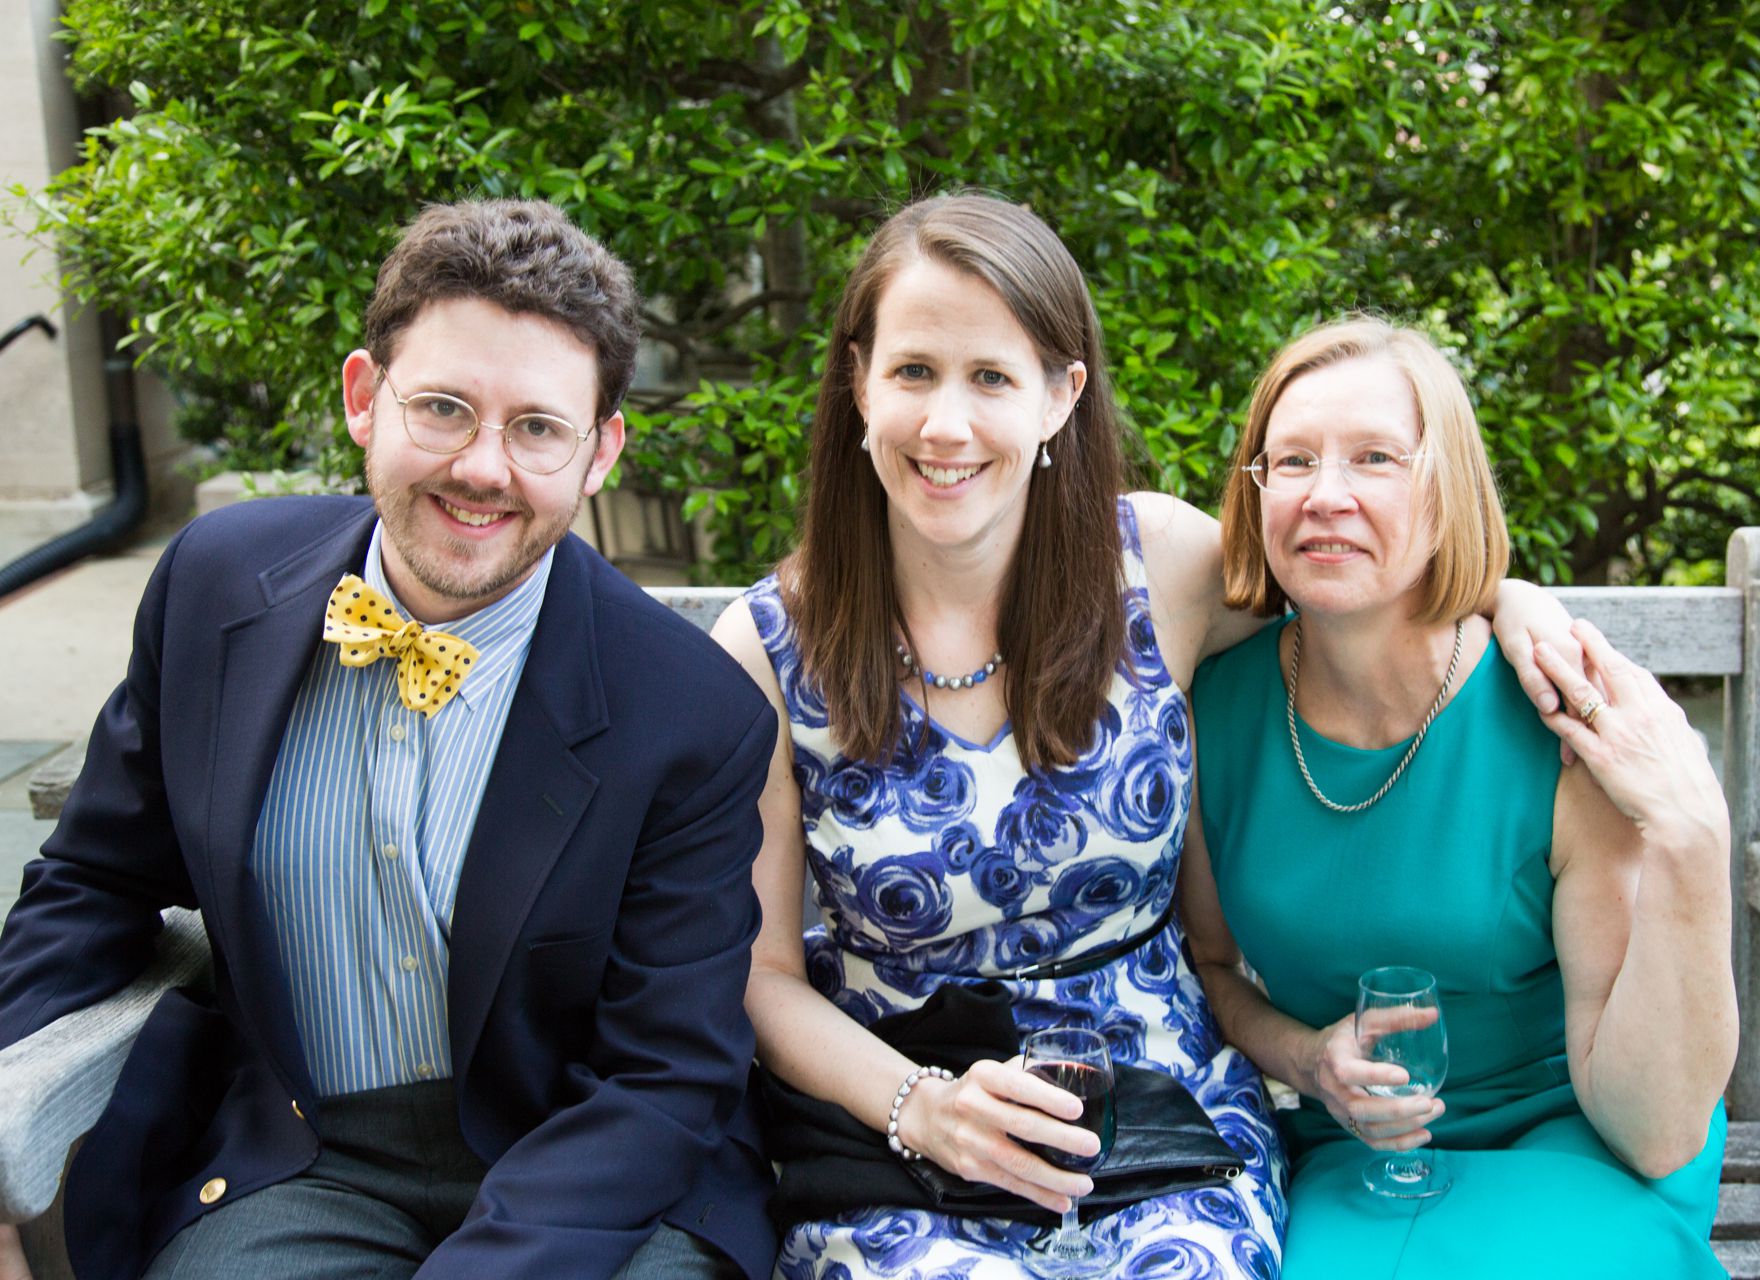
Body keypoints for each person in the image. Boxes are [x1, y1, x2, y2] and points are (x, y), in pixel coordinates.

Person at [708, 196, 1582, 1277]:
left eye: (991, 376)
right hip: (905, 1123)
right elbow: (759, 971)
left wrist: (1511, 599)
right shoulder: (766, 648)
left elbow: (1355, 567)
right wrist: (921, 1106)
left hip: (1160, 1111)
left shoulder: (1157, 566)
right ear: (858, 384)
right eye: (913, 372)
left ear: (1061, 396)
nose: (946, 425)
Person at [0, 200, 777, 1280]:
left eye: (538, 427)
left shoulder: (690, 708)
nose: (483, 467)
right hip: (303, 1148)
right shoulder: (215, 586)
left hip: (599, 1170)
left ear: (601, 452)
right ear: (366, 398)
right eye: (445, 407)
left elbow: (667, 1071)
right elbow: (92, 879)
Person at [1181, 315, 1737, 1278]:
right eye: (1294, 461)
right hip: (1356, 1153)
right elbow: (1215, 973)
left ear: (1445, 496)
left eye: (1375, 459)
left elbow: (1652, 1129)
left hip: (1578, 1147)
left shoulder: (1551, 715)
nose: (1328, 496)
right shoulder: (1210, 715)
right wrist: (1309, 1059)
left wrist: (1694, 836)